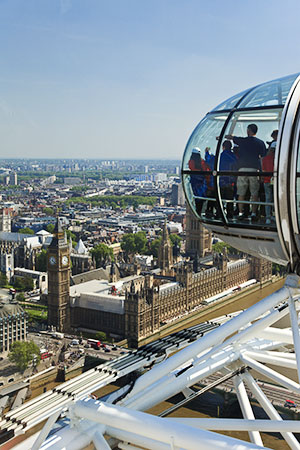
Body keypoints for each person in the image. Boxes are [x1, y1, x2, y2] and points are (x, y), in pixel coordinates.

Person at [225, 123, 266, 221]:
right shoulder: (260, 143)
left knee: (241, 193)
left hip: (242, 169)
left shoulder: (242, 141)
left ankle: (240, 212)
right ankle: (254, 213)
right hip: (254, 170)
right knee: (254, 193)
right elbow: (262, 158)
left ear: (248, 131)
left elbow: (232, 137)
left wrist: (224, 136)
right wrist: (261, 173)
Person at [218, 140, 238, 219]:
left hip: (222, 181)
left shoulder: (221, 156)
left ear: (223, 147)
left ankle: (219, 214)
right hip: (231, 182)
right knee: (230, 200)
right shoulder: (234, 157)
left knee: (220, 199)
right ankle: (230, 214)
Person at [188, 148, 210, 216]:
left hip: (195, 182)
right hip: (202, 182)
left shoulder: (191, 161)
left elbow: (191, 168)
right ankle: (200, 211)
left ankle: (198, 212)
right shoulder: (202, 161)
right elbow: (206, 169)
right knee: (201, 197)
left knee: (196, 197)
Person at [262, 130, 277, 224]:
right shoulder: (279, 158)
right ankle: (275, 215)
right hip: (276, 182)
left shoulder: (265, 159)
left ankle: (268, 217)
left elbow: (263, 171)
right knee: (276, 199)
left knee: (268, 198)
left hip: (267, 181)